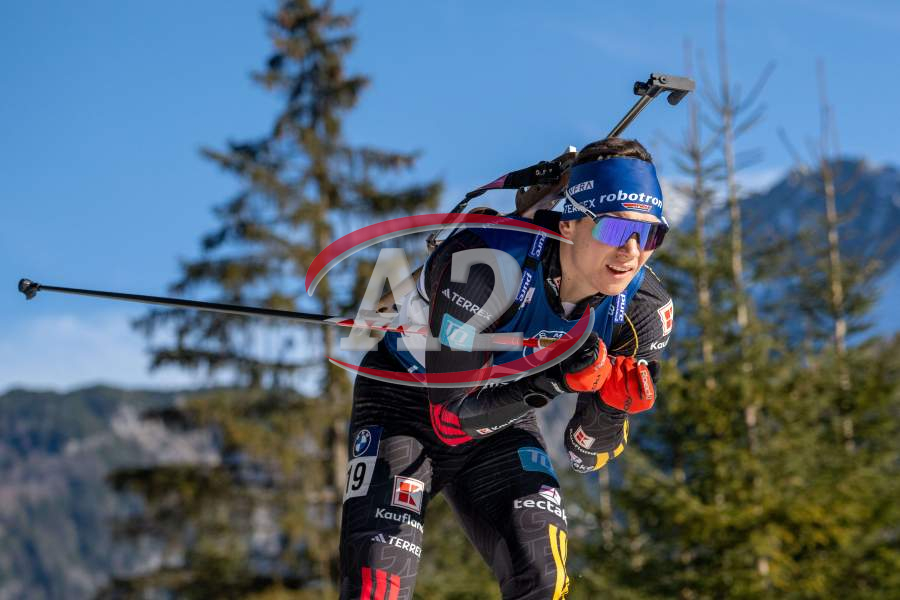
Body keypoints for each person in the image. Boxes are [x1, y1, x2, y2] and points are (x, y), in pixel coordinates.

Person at [339, 138, 674, 600]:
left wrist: (611, 407)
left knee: (544, 580)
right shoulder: (484, 264)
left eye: (650, 235)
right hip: (405, 404)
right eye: (616, 229)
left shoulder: (641, 308)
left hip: (502, 419)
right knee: (378, 588)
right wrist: (554, 379)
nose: (632, 252)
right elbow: (450, 420)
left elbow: (584, 456)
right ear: (569, 223)